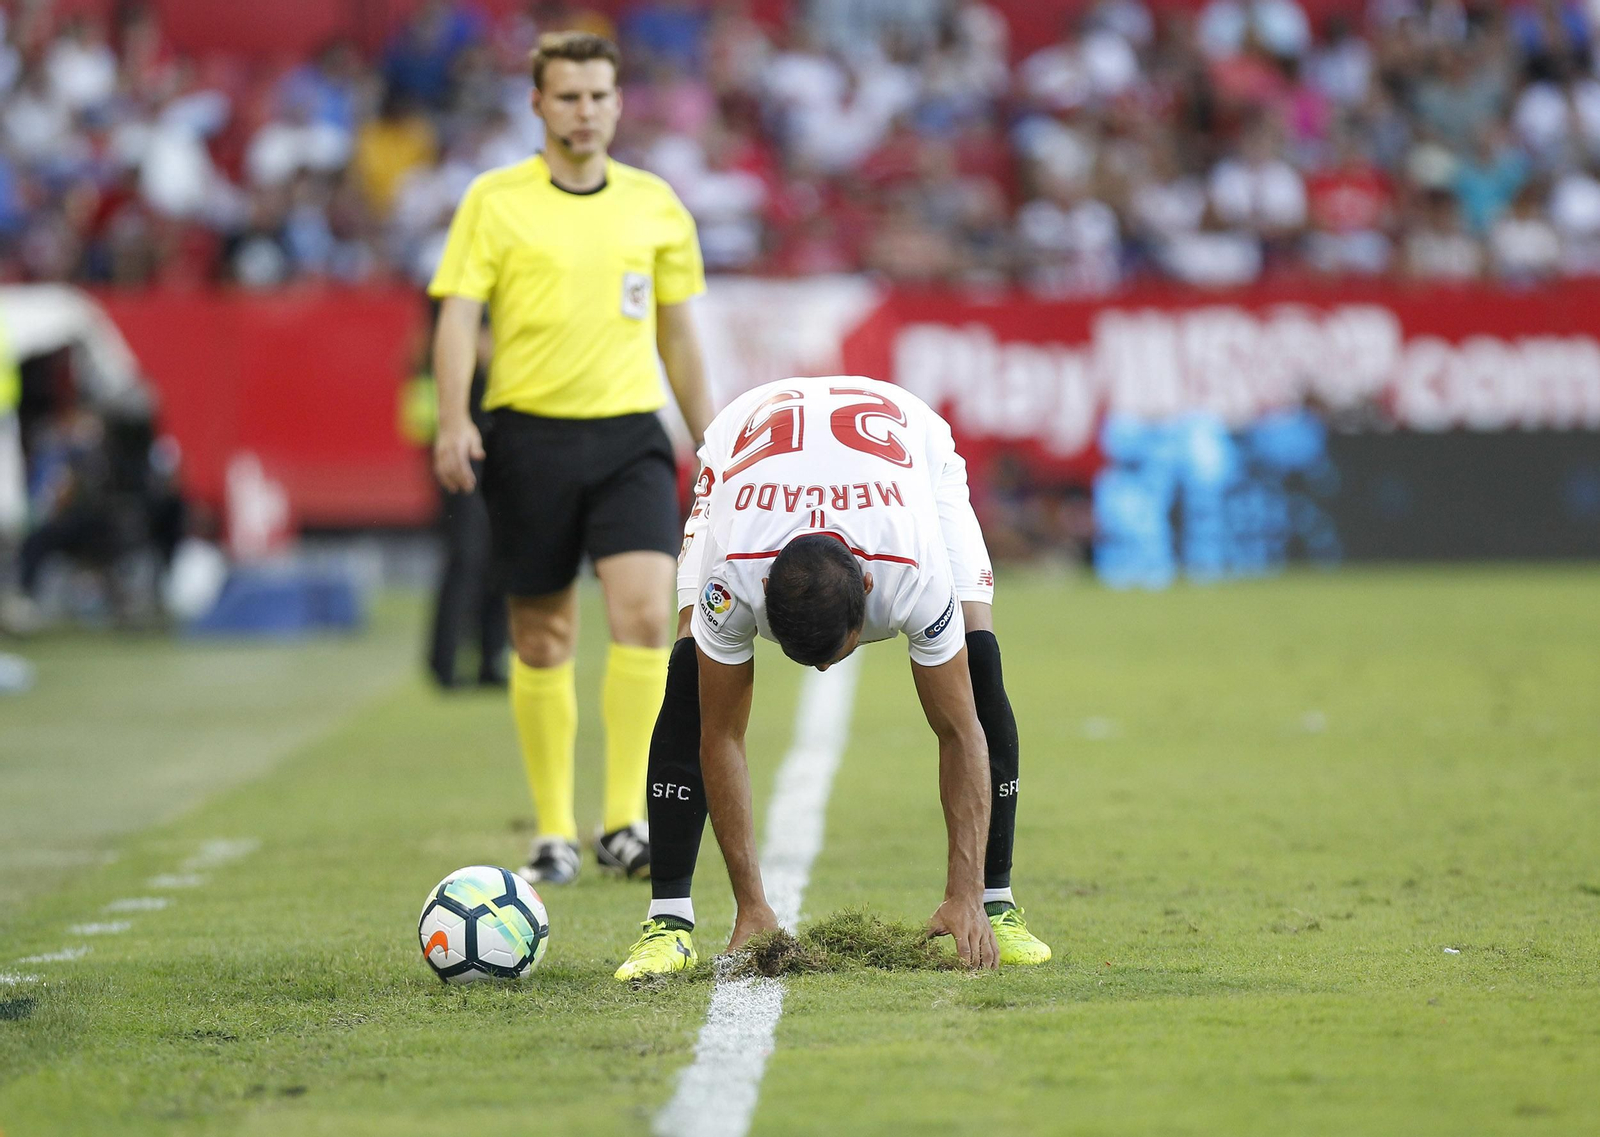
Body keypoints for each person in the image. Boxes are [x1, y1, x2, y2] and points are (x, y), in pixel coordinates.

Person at [613, 376, 1052, 978]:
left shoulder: (911, 571)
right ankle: (667, 921)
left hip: (907, 444)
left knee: (977, 665)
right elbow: (720, 735)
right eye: (805, 656)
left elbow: (961, 731)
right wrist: (752, 906)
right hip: (744, 447)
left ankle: (994, 906)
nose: (822, 668)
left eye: (831, 653)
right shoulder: (735, 575)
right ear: (764, 592)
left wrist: (963, 892)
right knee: (690, 682)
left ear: (869, 591)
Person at [429, 32, 713, 885]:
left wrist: (713, 436)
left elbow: (677, 333)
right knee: (544, 635)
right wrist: (453, 421)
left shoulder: (656, 205)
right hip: (529, 436)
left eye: (598, 96)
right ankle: (555, 828)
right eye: (568, 97)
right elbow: (456, 314)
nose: (585, 111)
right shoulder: (494, 200)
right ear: (538, 105)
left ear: (618, 103)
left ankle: (622, 819)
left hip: (629, 435)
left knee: (642, 615)